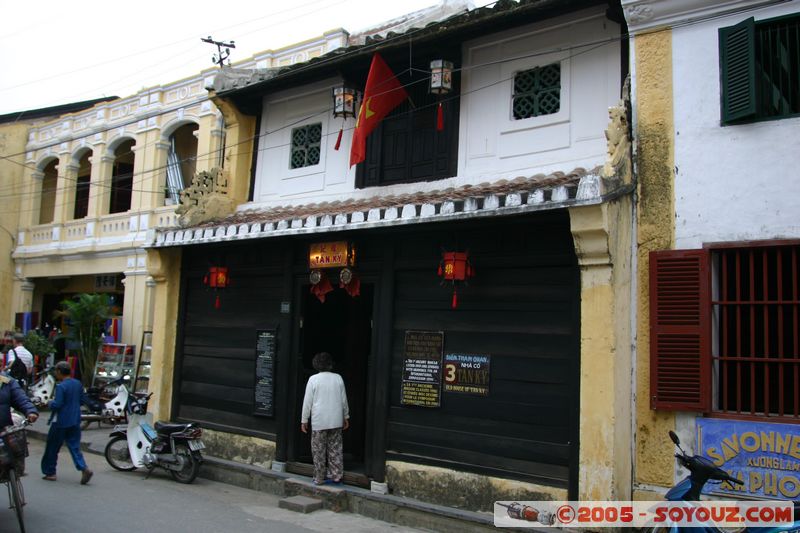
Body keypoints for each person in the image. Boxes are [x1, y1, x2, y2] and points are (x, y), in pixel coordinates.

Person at [300, 351, 349, 485]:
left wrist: (304, 419)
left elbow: (307, 402)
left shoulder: (313, 379)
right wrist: (346, 416)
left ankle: (319, 477)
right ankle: (336, 475)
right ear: (330, 364)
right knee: (335, 449)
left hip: (319, 421)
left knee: (318, 450)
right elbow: (343, 400)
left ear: (316, 364)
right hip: (335, 419)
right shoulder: (338, 378)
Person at [41, 361, 93, 484]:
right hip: (75, 419)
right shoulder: (77, 384)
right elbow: (81, 400)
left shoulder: (61, 386)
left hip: (61, 421)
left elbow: (58, 404)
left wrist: (49, 403)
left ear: (59, 372)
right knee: (75, 446)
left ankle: (50, 472)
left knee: (52, 447)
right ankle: (83, 467)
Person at [0, 369, 39, 475]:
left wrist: (30, 411)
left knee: (15, 445)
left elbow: (21, 398)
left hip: (3, 427)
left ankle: (16, 470)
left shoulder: (7, 382)